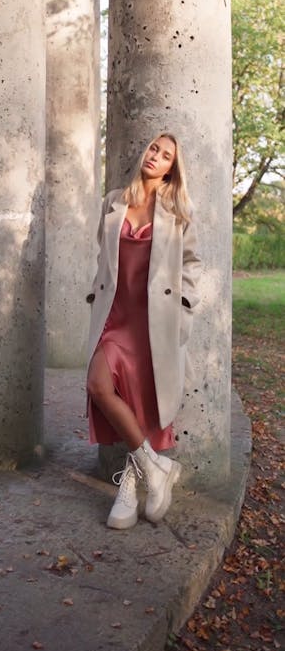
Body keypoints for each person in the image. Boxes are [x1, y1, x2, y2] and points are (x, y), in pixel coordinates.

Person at [86, 133, 201, 529]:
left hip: (155, 322)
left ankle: (132, 482)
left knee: (144, 402)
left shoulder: (177, 210)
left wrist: (184, 308)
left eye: (166, 155)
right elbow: (104, 255)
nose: (156, 156)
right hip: (116, 317)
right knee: (99, 385)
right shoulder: (114, 200)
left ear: (172, 168)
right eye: (153, 148)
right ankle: (155, 467)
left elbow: (192, 263)